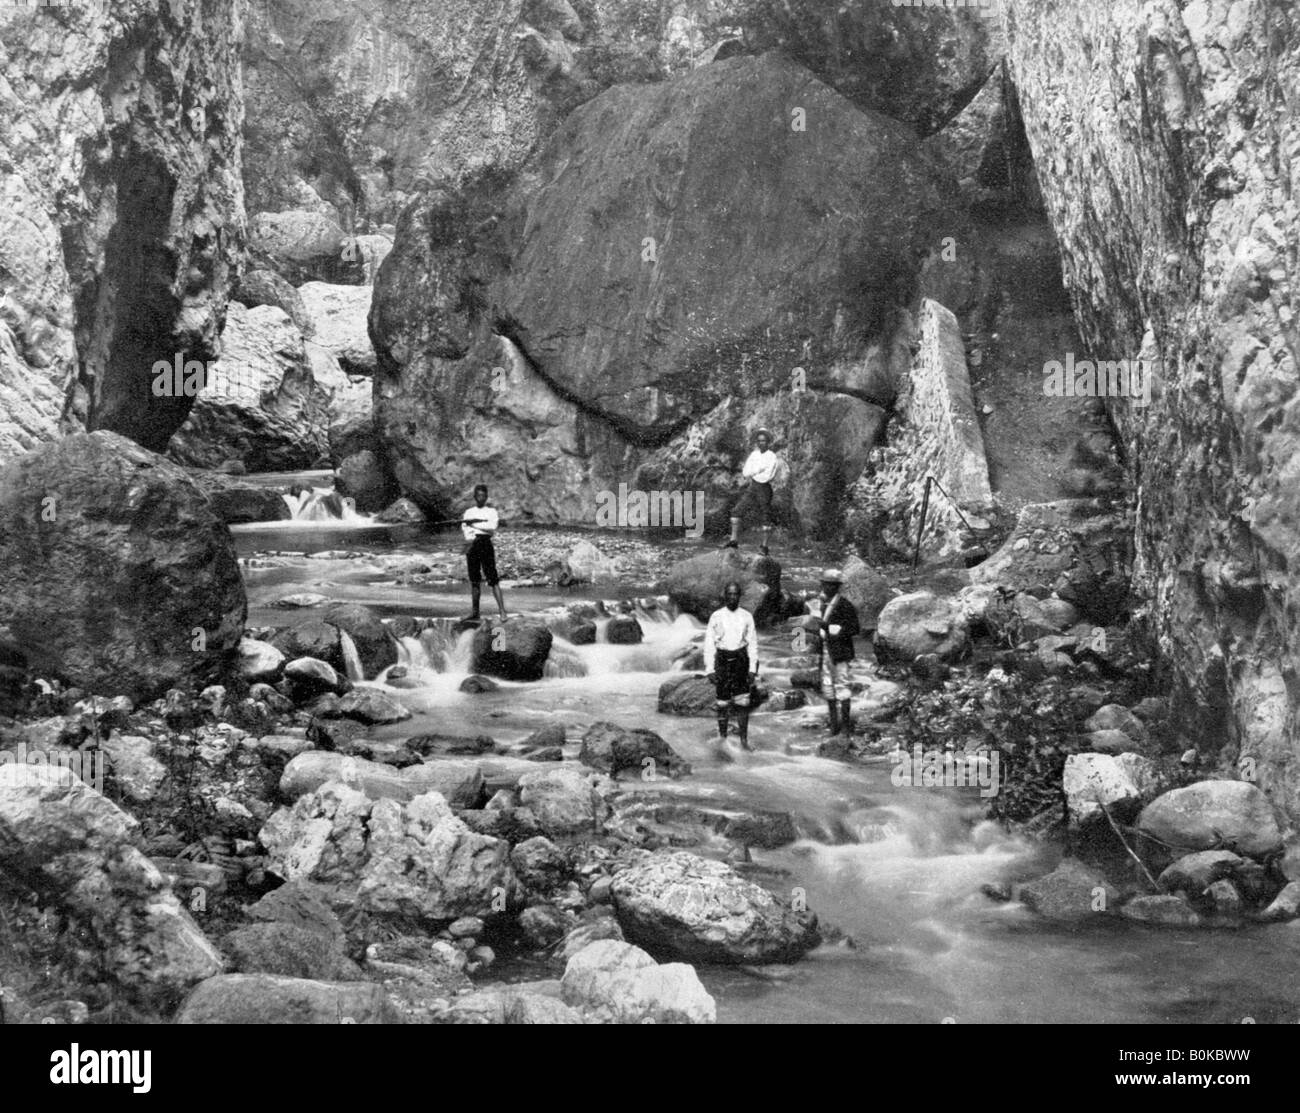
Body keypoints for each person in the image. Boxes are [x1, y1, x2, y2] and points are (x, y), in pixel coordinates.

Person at [703, 580, 759, 752]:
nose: (732, 597)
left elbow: (753, 643)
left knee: (743, 702)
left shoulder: (747, 616)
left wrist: (752, 669)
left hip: (741, 659)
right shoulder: (716, 616)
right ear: (725, 596)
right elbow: (709, 644)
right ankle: (722, 738)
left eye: (736, 594)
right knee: (722, 702)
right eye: (729, 594)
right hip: (722, 659)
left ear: (739, 597)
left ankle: (743, 740)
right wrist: (709, 669)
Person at [817, 569, 860, 737]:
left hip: (841, 653)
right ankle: (834, 726)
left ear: (836, 587)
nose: (827, 588)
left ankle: (845, 727)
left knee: (842, 688)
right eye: (825, 584)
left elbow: (855, 628)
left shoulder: (844, 605)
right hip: (827, 652)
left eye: (830, 585)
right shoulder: (824, 604)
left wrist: (835, 630)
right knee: (828, 689)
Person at [721, 428, 779, 555]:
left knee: (765, 516)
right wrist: (759, 469)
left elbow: (768, 476)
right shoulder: (754, 455)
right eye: (759, 441)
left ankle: (764, 547)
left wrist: (755, 471)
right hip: (753, 486)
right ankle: (733, 540)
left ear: (768, 442)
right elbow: (746, 472)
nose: (761, 443)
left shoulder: (772, 457)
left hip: (764, 488)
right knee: (736, 511)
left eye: (763, 441)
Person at [462, 484, 507, 622]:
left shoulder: (491, 512)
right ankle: (475, 612)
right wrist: (471, 535)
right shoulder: (468, 512)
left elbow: (491, 528)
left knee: (493, 578)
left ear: (486, 497)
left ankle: (502, 612)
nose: (481, 498)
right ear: (475, 497)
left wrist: (474, 526)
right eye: (478, 495)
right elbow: (465, 528)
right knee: (474, 580)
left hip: (485, 543)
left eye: (483, 495)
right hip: (472, 544)